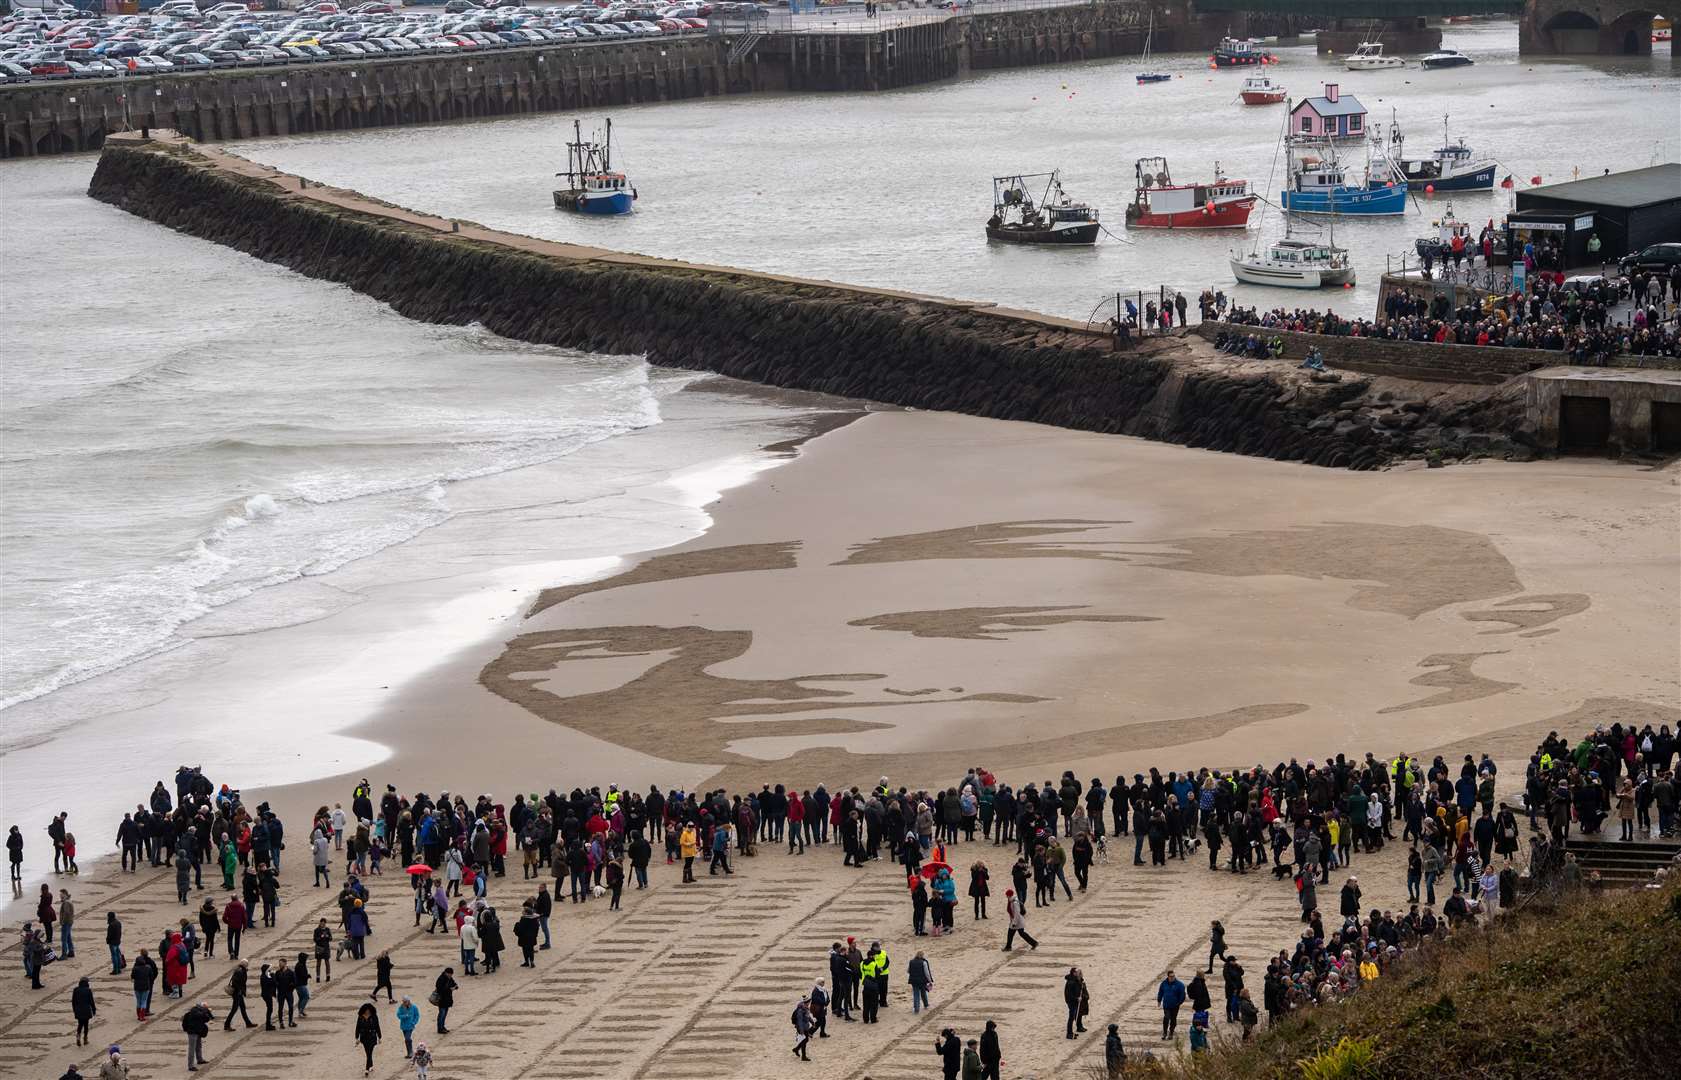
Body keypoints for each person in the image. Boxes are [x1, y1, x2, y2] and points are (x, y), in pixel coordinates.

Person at [181, 999, 213, 1072]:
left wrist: (208, 1014)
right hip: (192, 1032)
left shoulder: (200, 1011)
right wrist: (206, 1011)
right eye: (204, 1006)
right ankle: (190, 1066)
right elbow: (199, 1015)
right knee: (192, 1049)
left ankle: (200, 1059)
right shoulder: (194, 1011)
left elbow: (205, 1020)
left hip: (198, 1031)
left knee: (199, 1046)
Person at [223, 961, 255, 1030]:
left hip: (238, 993)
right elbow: (236, 982)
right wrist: (240, 990)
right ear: (245, 965)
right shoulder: (240, 971)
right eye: (247, 965)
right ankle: (227, 1024)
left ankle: (248, 1023)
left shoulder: (240, 970)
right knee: (234, 1009)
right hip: (237, 993)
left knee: (243, 1008)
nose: (248, 966)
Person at [355, 1001, 383, 1076]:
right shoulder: (360, 1017)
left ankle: (367, 1069)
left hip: (372, 1036)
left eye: (368, 1011)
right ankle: (371, 1065)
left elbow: (377, 1026)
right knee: (368, 1053)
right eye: (366, 1011)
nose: (367, 1012)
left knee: (370, 1052)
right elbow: (357, 1027)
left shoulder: (374, 1016)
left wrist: (379, 1037)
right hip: (363, 1037)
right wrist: (357, 1037)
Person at [1157, 969, 1186, 1039]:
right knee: (1166, 1017)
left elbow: (1183, 995)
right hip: (1166, 1005)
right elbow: (1160, 992)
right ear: (1168, 977)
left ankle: (1171, 1032)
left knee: (1173, 1019)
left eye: (1173, 976)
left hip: (1175, 1006)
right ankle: (1164, 1033)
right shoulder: (1163, 983)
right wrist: (1159, 1000)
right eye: (1171, 976)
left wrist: (1179, 1003)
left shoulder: (1180, 985)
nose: (1172, 977)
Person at [130, 949, 157, 1020]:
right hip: (146, 986)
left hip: (137, 987)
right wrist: (151, 981)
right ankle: (143, 1015)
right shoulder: (148, 967)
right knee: (144, 1001)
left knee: (139, 1001)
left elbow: (132, 976)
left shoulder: (135, 967)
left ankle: (139, 1015)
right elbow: (153, 973)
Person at [1064, 966, 1089, 1038]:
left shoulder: (1077, 980)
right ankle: (1069, 1033)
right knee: (1071, 1017)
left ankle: (1079, 1027)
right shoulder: (1070, 982)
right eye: (1078, 972)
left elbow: (1080, 988)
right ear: (1074, 973)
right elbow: (1068, 994)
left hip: (1077, 1001)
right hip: (1072, 1002)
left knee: (1079, 1014)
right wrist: (1076, 998)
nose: (1079, 973)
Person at [71, 976, 96, 1046]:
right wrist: (94, 1010)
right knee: (86, 1025)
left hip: (78, 1010)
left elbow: (73, 1001)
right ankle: (85, 1039)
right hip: (86, 1010)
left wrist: (74, 1010)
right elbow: (91, 1001)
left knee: (80, 1024)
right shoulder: (88, 990)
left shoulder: (76, 990)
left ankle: (78, 1037)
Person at [790, 996, 813, 1062]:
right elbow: (799, 1021)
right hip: (801, 1028)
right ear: (805, 1002)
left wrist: (812, 1022)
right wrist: (801, 1031)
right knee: (804, 1041)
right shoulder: (800, 1010)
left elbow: (808, 1017)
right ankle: (803, 1056)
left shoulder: (805, 1008)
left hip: (805, 1027)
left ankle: (796, 1049)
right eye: (808, 1002)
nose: (809, 1003)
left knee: (805, 1040)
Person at [433, 968, 457, 1034]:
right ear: (446, 973)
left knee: (444, 1014)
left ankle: (442, 1027)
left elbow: (453, 983)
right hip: (442, 999)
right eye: (450, 974)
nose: (450, 976)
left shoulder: (449, 978)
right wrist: (450, 989)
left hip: (447, 1000)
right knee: (441, 1014)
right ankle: (440, 1028)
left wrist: (455, 986)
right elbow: (440, 989)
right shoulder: (441, 979)